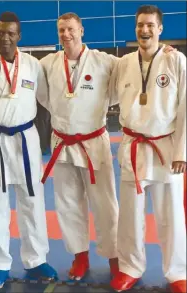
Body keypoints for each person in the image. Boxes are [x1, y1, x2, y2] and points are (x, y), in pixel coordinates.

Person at [0, 12, 57, 290]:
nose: (5, 38)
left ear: (19, 36)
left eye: (11, 34)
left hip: (26, 139)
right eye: (0, 33)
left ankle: (35, 259)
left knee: (32, 201)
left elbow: (46, 100)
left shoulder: (32, 65)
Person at [108, 5, 186, 293]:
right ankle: (130, 267)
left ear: (160, 29)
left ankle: (177, 272)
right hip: (133, 147)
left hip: (166, 148)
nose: (145, 30)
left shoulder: (176, 61)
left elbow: (186, 107)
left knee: (171, 217)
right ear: (135, 27)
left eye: (150, 25)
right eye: (141, 24)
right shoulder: (123, 63)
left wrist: (183, 151)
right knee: (130, 216)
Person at [38, 12, 120, 280]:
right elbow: (43, 96)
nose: (66, 34)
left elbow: (131, 72)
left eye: (71, 29)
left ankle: (115, 258)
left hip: (94, 141)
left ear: (82, 31)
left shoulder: (104, 61)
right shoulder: (48, 63)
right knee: (68, 203)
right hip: (63, 142)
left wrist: (160, 54)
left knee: (105, 204)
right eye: (61, 30)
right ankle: (80, 257)